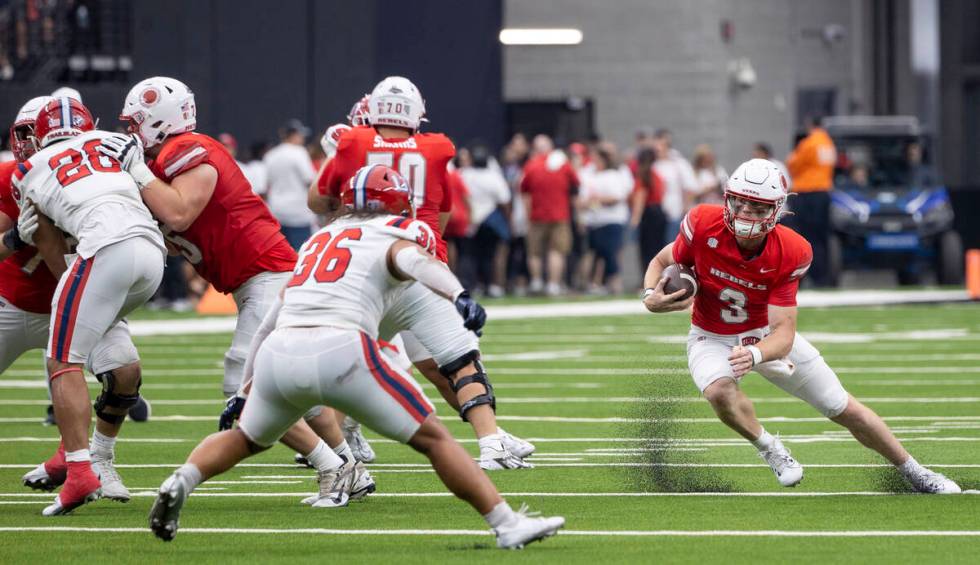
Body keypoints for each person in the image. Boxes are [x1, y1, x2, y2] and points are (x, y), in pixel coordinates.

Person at [148, 165, 564, 548]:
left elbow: (267, 323)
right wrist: (459, 294)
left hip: (279, 353)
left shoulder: (316, 241)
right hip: (341, 348)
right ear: (400, 201)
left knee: (243, 439)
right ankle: (507, 524)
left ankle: (180, 481)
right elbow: (413, 262)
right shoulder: (393, 233)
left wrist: (242, 392)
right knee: (435, 439)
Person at [100, 78, 364, 505]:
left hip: (267, 275)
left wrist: (135, 172)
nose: (132, 133)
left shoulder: (186, 149)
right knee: (289, 381)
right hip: (257, 279)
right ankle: (350, 463)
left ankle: (336, 468)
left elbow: (180, 214)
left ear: (162, 121)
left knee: (240, 386)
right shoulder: (161, 164)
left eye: (138, 123)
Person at [641, 158, 960, 494]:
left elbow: (784, 332)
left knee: (841, 407)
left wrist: (755, 354)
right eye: (740, 202)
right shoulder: (702, 223)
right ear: (728, 199)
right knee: (719, 391)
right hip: (712, 335)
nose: (746, 213)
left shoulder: (791, 250)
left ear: (777, 210)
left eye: (758, 207)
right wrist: (650, 295)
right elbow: (663, 261)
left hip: (765, 335)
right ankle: (770, 449)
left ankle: (916, 472)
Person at [309, 76, 534, 469]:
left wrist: (335, 155)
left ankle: (331, 452)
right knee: (458, 356)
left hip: (360, 268)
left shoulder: (350, 145)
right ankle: (490, 441)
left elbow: (319, 202)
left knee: (353, 364)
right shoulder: (434, 150)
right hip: (415, 257)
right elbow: (441, 213)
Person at [11, 97, 166, 515]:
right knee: (115, 365)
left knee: (62, 361)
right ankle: (72, 454)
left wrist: (67, 278)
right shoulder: (115, 141)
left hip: (103, 251)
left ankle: (80, 472)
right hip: (152, 257)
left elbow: (46, 241)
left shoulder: (27, 169)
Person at [520, 134, 578, 297]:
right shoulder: (564, 165)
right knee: (557, 251)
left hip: (536, 215)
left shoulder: (530, 166)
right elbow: (575, 186)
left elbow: (524, 192)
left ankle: (537, 281)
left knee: (534, 252)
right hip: (560, 215)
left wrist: (527, 215)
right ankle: (553, 284)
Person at [786, 116, 836, 287]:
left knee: (803, 236)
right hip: (824, 192)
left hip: (807, 194)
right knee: (822, 238)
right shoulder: (828, 143)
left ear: (809, 124)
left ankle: (804, 275)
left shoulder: (809, 143)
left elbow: (793, 164)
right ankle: (823, 277)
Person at [577, 143, 632, 294]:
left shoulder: (613, 175)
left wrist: (597, 199)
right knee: (596, 253)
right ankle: (595, 283)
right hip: (595, 221)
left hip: (612, 219)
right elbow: (582, 199)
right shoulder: (590, 175)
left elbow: (618, 196)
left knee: (610, 253)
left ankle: (615, 284)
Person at [458, 143, 511, 297]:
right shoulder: (494, 176)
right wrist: (508, 221)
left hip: (471, 220)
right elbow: (505, 200)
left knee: (470, 255)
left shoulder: (464, 174)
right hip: (489, 220)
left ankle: (472, 285)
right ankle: (492, 285)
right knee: (491, 255)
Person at [264, 120, 317, 249]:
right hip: (298, 213)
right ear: (293, 135)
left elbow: (267, 185)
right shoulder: (299, 152)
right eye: (300, 135)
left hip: (276, 212)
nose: (302, 139)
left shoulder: (270, 155)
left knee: (281, 256)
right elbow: (311, 180)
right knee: (301, 255)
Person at [652, 129, 697, 243]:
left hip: (674, 214)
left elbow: (690, 187)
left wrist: (684, 208)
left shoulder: (679, 164)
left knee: (670, 246)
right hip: (656, 214)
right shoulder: (652, 165)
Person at [629, 147, 666, 275]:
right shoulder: (656, 175)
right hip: (659, 213)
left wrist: (635, 219)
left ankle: (648, 279)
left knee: (646, 250)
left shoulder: (643, 176)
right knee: (657, 248)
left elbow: (640, 198)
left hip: (649, 214)